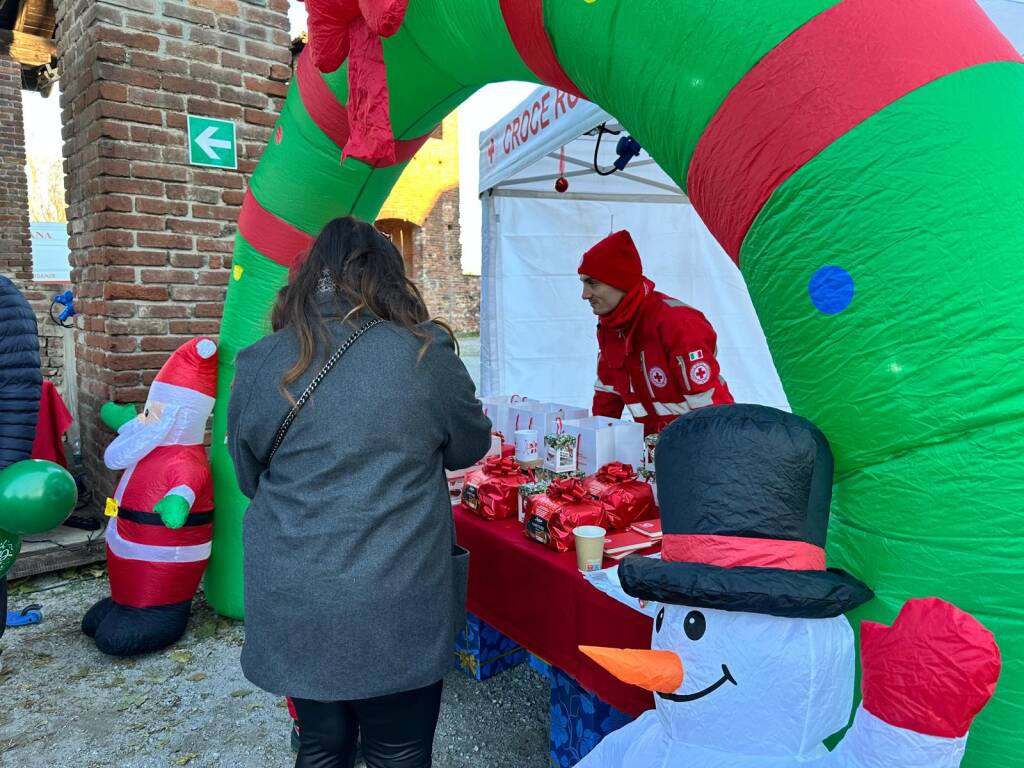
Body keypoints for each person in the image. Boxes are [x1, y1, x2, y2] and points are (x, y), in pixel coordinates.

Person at [227, 216, 492, 768]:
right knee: (399, 752)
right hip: (396, 599)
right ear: (389, 279)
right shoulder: (424, 354)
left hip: (295, 596)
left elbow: (249, 478)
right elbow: (469, 447)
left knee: (322, 747)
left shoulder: (257, 362)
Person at [579, 230, 734, 435]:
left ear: (620, 281)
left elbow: (710, 409)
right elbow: (608, 394)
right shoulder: (610, 327)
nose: (585, 295)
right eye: (582, 283)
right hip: (654, 450)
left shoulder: (677, 323)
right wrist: (596, 444)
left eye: (592, 283)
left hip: (699, 444)